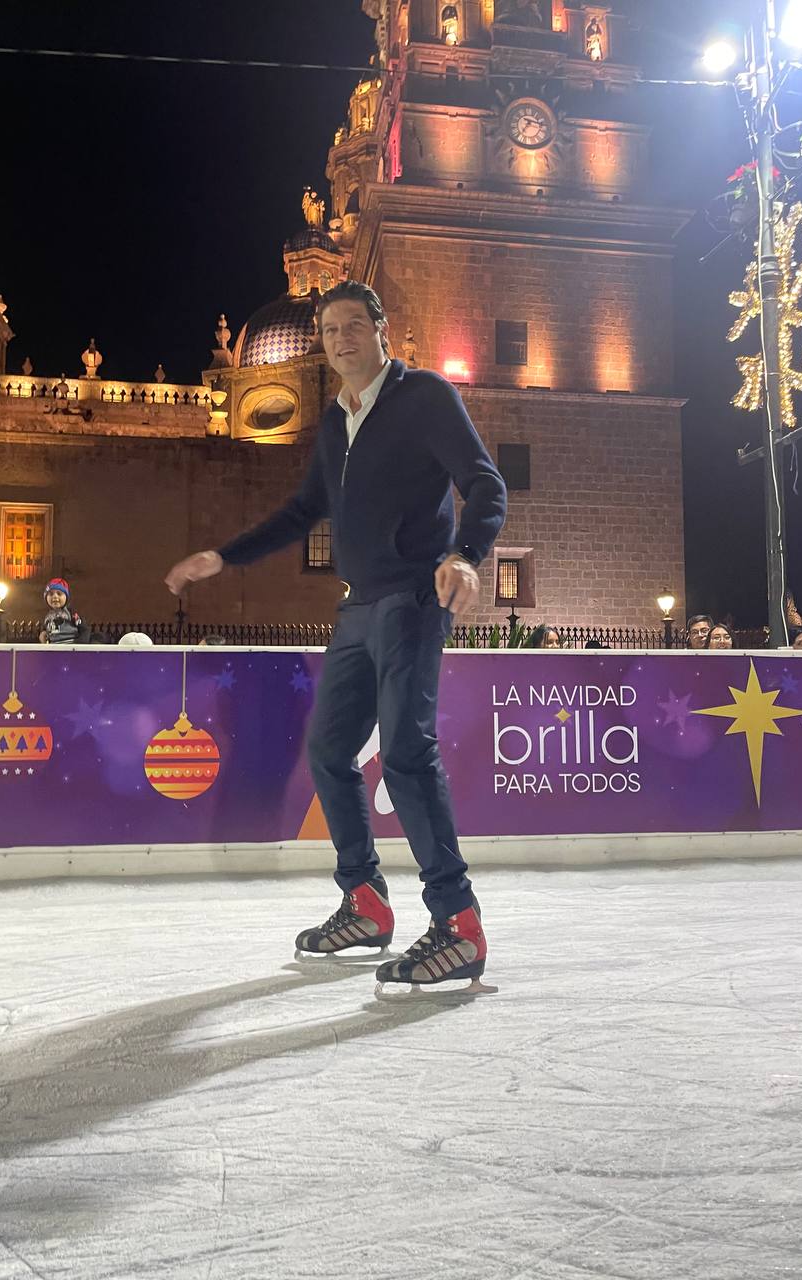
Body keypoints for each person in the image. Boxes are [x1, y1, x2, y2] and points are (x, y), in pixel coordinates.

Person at [165, 280, 507, 991]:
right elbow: (302, 513)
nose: (342, 338)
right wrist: (224, 557)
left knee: (406, 754)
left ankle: (459, 922)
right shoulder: (334, 423)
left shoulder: (424, 396)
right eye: (330, 330)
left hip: (414, 598)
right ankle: (365, 900)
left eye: (355, 324)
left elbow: (485, 484)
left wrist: (465, 556)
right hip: (357, 608)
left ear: (382, 330)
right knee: (328, 751)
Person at [39, 578, 88, 644]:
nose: (55, 596)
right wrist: (43, 633)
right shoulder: (48, 616)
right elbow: (46, 629)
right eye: (51, 594)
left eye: (59, 594)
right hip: (54, 647)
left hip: (71, 646)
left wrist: (81, 644)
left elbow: (84, 629)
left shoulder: (71, 613)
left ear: (66, 597)